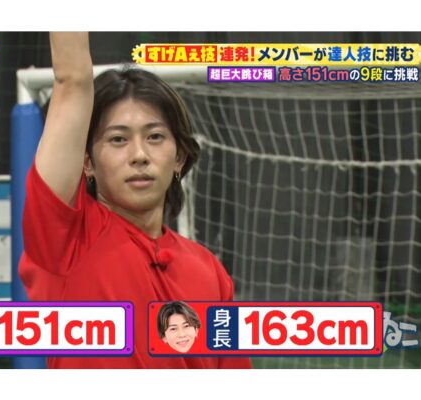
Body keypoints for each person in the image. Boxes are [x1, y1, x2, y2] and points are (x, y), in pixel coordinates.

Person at [19, 32, 251, 368]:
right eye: (118, 139)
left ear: (179, 158)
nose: (139, 154)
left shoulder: (210, 271)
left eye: (155, 137)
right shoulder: (66, 243)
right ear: (87, 162)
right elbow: (72, 80)